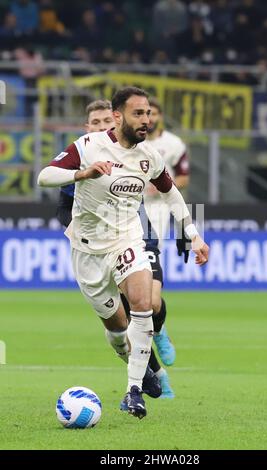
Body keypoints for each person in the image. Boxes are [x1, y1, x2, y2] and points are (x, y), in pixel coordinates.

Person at [38, 86, 209, 419]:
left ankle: (133, 392)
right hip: (88, 251)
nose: (146, 120)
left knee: (144, 303)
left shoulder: (150, 156)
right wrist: (80, 173)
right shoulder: (87, 147)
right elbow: (45, 175)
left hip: (128, 238)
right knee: (118, 330)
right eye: (138, 114)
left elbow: (171, 192)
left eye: (148, 113)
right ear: (118, 117)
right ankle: (139, 366)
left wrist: (194, 236)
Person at [56, 98, 176, 400]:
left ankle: (158, 336)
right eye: (94, 124)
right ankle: (151, 374)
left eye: (105, 122)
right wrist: (78, 232)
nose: (101, 128)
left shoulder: (136, 152)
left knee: (150, 302)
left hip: (135, 232)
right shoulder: (85, 154)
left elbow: (165, 186)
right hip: (94, 244)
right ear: (87, 128)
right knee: (123, 319)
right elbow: (63, 207)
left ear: (116, 120)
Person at [143, 96, 190, 379]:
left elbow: (183, 177)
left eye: (153, 113)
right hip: (125, 212)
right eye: (145, 112)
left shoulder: (173, 144)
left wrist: (160, 187)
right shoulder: (129, 142)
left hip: (158, 211)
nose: (149, 118)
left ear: (160, 116)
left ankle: (158, 330)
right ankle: (150, 374)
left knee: (150, 295)